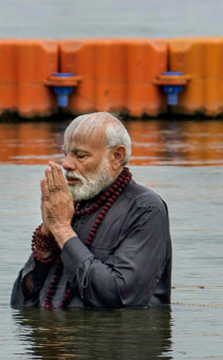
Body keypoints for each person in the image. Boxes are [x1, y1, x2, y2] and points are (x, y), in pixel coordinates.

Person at [10, 112, 172, 309]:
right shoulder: (73, 205)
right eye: (66, 154)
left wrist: (62, 230)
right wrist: (47, 234)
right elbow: (20, 303)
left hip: (113, 337)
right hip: (54, 335)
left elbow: (121, 297)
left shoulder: (145, 208)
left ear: (116, 156)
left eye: (80, 155)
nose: (67, 164)